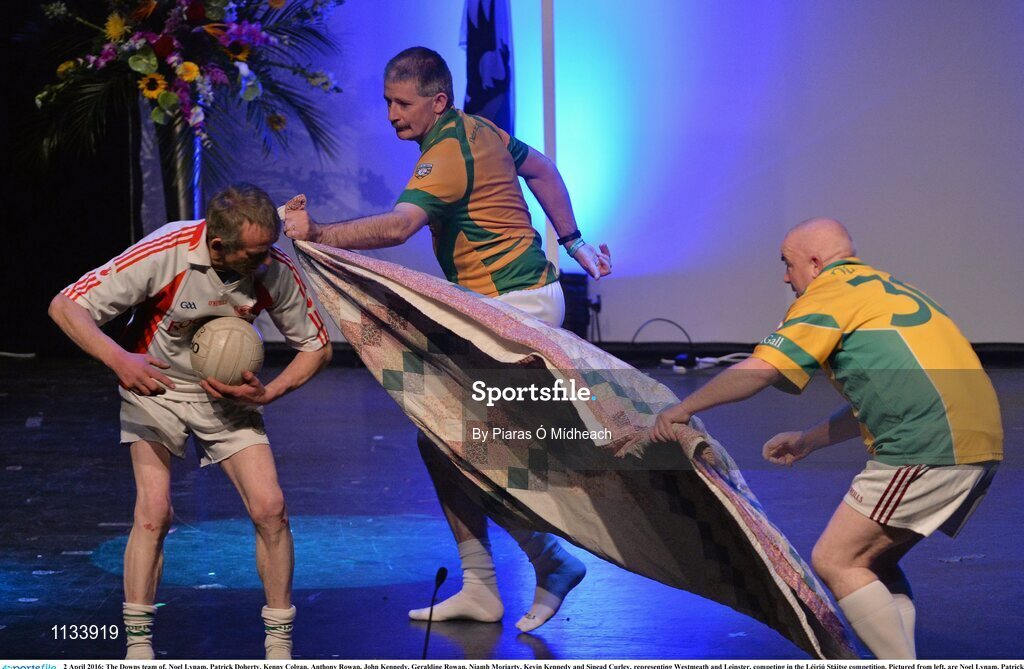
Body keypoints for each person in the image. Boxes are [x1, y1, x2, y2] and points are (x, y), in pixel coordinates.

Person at [284, 46, 611, 632]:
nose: (390, 113)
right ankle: (484, 585)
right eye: (386, 100)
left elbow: (398, 226)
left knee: (466, 444)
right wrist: (576, 240)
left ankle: (548, 560)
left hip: (513, 312)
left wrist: (320, 234)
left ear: (437, 101)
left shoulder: (445, 153)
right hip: (518, 304)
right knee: (441, 440)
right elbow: (541, 169)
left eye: (402, 102)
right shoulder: (480, 129)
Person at [651, 217, 1002, 659]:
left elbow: (761, 370)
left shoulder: (829, 293)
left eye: (788, 263)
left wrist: (683, 408)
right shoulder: (881, 287)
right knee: (872, 561)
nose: (785, 276)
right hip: (974, 436)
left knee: (836, 560)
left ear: (815, 263)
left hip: (928, 445)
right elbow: (887, 394)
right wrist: (810, 440)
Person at [49, 183, 332, 660]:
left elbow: (317, 346)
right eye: (256, 253)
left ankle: (279, 644)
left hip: (228, 401)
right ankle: (138, 646)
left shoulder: (272, 268)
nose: (267, 260)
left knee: (271, 507)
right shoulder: (168, 251)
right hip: (155, 388)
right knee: (153, 512)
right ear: (219, 246)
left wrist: (270, 392)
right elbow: (65, 305)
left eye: (270, 249)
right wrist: (121, 360)